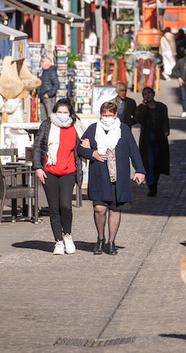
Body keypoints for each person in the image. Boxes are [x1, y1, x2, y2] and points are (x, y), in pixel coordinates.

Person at [79, 101, 145, 255]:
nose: (107, 118)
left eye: (110, 115)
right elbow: (80, 147)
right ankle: (100, 239)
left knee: (115, 209)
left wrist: (140, 170)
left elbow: (133, 151)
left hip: (118, 177)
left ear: (115, 115)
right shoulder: (93, 129)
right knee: (99, 208)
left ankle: (111, 242)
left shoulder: (123, 130)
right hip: (99, 176)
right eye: (104, 115)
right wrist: (92, 153)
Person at [32, 98, 86, 255]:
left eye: (65, 112)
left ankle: (67, 235)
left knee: (66, 206)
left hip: (68, 171)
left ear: (70, 113)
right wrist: (38, 168)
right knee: (54, 208)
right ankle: (58, 241)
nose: (62, 115)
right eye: (59, 112)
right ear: (55, 112)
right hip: (49, 171)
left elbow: (83, 146)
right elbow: (37, 147)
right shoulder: (47, 125)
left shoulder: (76, 127)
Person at [135, 87, 170, 197]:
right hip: (147, 138)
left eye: (149, 93)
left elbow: (165, 119)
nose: (147, 95)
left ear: (153, 94)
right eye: (145, 94)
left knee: (158, 162)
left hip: (159, 137)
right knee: (149, 162)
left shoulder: (161, 107)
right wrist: (145, 107)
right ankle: (151, 185)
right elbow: (140, 119)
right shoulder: (141, 108)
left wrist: (166, 130)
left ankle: (155, 182)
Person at [37, 56, 60, 121]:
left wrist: (49, 94)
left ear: (47, 63)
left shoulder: (51, 72)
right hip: (42, 96)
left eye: (43, 61)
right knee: (43, 116)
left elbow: (56, 84)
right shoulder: (43, 72)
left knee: (50, 115)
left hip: (48, 97)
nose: (41, 63)